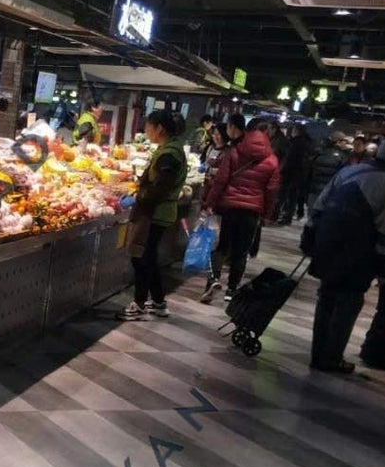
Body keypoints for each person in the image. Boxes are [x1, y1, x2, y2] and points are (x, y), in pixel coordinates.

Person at [302, 137, 385, 374]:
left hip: (327, 245)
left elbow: (319, 206)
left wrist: (310, 239)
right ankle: (332, 358)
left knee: (326, 299)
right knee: (348, 303)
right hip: (357, 256)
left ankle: (318, 356)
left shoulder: (350, 171)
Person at [118, 110, 188, 320]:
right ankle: (158, 302)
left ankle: (139, 305)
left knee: (141, 258)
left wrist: (137, 197)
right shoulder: (170, 149)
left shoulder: (169, 155)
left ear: (159, 128)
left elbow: (160, 189)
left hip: (154, 213)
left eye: (148, 126)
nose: (146, 130)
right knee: (148, 257)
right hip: (158, 212)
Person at [200, 118, 281, 303]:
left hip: (229, 207)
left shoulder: (235, 151)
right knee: (241, 251)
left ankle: (213, 280)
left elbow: (221, 180)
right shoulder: (272, 160)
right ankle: (232, 289)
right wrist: (266, 214)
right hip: (252, 210)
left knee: (221, 246)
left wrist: (210, 203)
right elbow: (272, 190)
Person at [275, 123, 313, 224]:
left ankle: (284, 216)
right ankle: (288, 216)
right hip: (300, 174)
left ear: (296, 131)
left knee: (287, 196)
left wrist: (283, 170)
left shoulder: (295, 143)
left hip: (291, 173)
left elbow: (290, 159)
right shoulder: (307, 143)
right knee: (293, 197)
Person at [309, 131, 350, 201]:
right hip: (330, 190)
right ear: (338, 142)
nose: (345, 144)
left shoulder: (319, 152)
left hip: (315, 188)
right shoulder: (342, 156)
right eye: (344, 141)